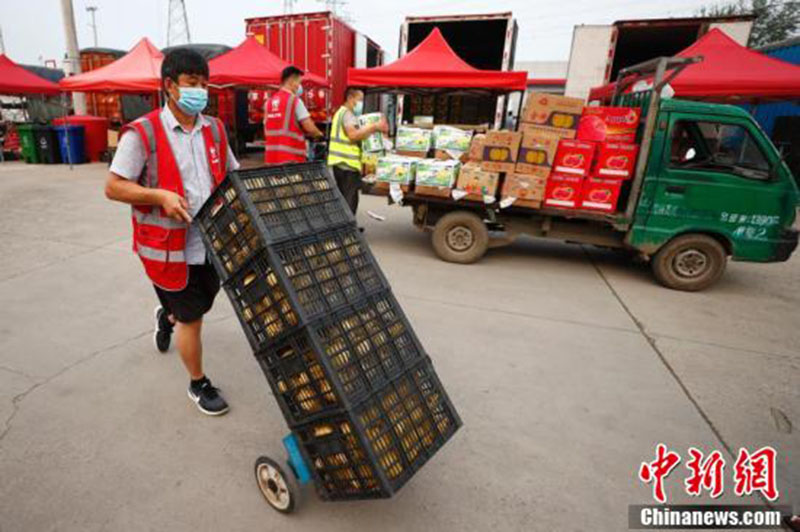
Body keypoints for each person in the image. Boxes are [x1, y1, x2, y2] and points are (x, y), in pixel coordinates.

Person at [104, 49, 239, 416]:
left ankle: (167, 316)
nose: (200, 91)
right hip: (166, 249)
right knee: (192, 317)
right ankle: (198, 383)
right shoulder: (143, 132)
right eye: (192, 84)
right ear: (169, 86)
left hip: (210, 243)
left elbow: (232, 176)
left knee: (198, 305)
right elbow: (114, 187)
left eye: (204, 84)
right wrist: (157, 195)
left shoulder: (214, 129)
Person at [327, 87, 388, 214]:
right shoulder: (347, 115)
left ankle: (347, 227)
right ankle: (348, 230)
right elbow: (353, 135)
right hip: (347, 164)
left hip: (340, 163)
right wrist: (373, 127)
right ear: (350, 98)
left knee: (345, 198)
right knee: (350, 199)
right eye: (359, 100)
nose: (360, 103)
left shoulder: (341, 113)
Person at [263, 66, 324, 164]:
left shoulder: (268, 103)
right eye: (299, 83)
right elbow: (308, 126)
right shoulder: (294, 101)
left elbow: (266, 128)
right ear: (291, 81)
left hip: (271, 159)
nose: (299, 86)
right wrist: (319, 134)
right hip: (291, 160)